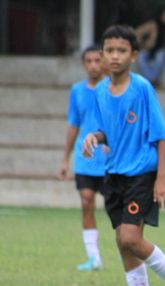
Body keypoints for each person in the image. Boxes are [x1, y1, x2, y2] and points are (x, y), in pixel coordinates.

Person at [82, 25, 165, 286]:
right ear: (103, 55)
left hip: (141, 173)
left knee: (131, 237)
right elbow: (110, 130)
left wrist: (163, 177)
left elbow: (162, 134)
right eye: (110, 51)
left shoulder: (142, 88)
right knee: (123, 241)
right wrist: (95, 136)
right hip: (114, 175)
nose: (115, 56)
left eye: (121, 51)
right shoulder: (101, 93)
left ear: (133, 56)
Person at [57, 45, 107, 271]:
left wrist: (113, 144)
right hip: (85, 157)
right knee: (86, 201)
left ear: (104, 62)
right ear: (84, 64)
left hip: (110, 159)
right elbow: (73, 125)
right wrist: (65, 159)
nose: (94, 65)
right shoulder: (77, 91)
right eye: (89, 61)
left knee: (116, 207)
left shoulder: (112, 89)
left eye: (98, 60)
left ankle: (129, 248)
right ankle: (94, 257)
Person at [135, 6, 165, 87]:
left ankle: (150, 80)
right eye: (164, 15)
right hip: (150, 48)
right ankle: (153, 79)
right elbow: (138, 32)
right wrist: (141, 44)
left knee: (160, 57)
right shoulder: (153, 24)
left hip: (164, 49)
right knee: (140, 57)